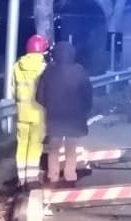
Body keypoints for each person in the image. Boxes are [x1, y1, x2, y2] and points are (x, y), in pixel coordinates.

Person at [36, 40, 92, 186]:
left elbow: (39, 97)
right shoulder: (79, 71)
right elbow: (87, 94)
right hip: (74, 117)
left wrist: (50, 107)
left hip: (55, 118)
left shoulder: (48, 72)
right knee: (71, 147)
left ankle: (53, 175)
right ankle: (70, 175)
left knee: (54, 147)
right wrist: (84, 109)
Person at [12, 34, 49, 189]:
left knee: (22, 145)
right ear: (42, 51)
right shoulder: (44, 67)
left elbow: (14, 91)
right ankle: (31, 179)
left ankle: (21, 178)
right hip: (39, 112)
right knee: (35, 145)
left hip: (22, 112)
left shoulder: (16, 66)